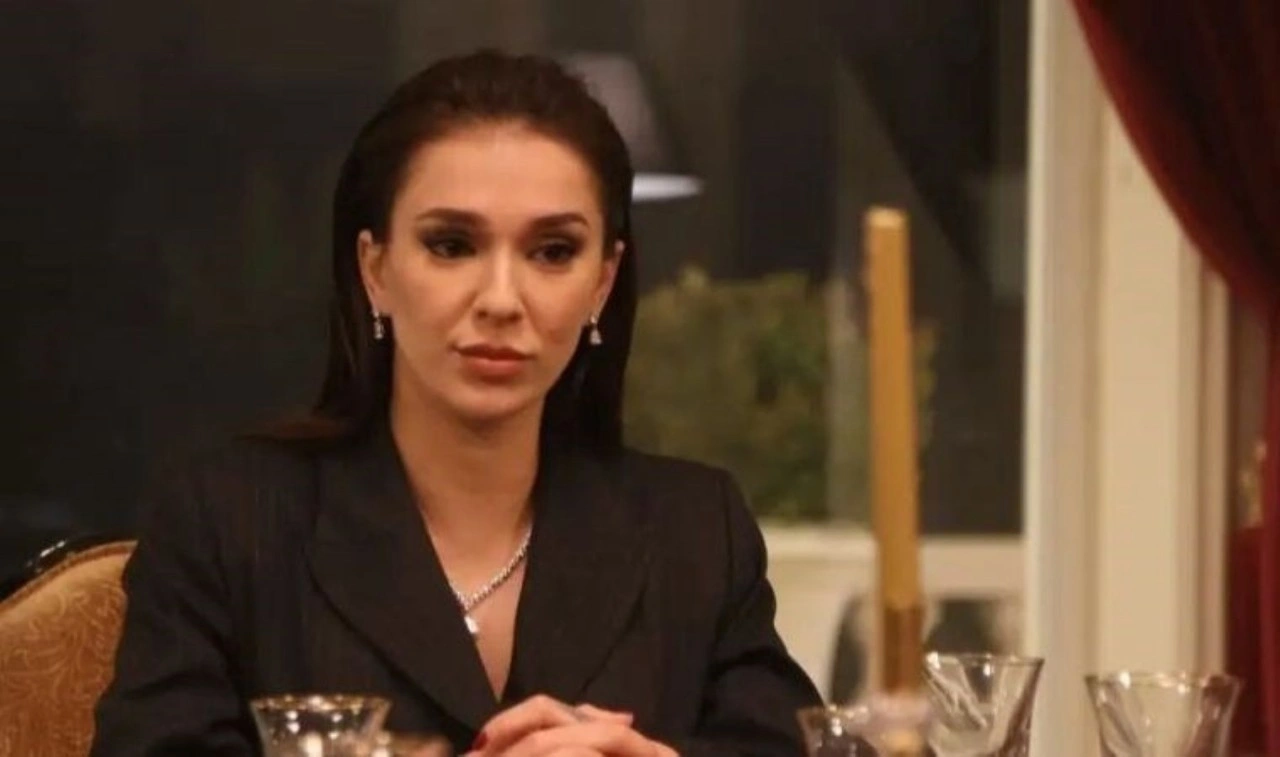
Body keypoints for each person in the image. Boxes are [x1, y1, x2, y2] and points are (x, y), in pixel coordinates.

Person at [91, 50, 821, 757]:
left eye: (552, 251)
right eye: (451, 245)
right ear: (375, 269)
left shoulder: (695, 531)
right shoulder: (229, 522)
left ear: (603, 282)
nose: (501, 299)